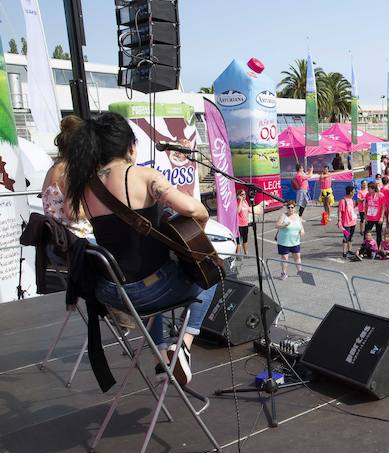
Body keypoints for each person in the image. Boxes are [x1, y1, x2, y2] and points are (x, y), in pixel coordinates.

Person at [66, 112, 216, 386]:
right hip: (149, 292)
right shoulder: (144, 175)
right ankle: (183, 345)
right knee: (211, 275)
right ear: (130, 147)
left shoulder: (86, 186)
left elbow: (70, 213)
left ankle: (162, 358)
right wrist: (201, 224)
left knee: (154, 275)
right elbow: (194, 209)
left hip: (111, 292)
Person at [41, 115, 92, 240]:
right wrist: (96, 208)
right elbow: (72, 212)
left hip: (57, 238)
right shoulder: (71, 170)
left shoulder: (53, 169)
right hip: (77, 240)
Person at [275, 201, 304, 280]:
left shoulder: (297, 216)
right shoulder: (283, 216)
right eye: (288, 207)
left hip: (295, 242)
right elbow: (277, 225)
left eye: (292, 207)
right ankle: (284, 273)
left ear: (295, 208)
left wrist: (302, 231)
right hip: (284, 242)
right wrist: (284, 225)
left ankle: (300, 271)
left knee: (297, 257)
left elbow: (301, 227)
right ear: (286, 208)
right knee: (285, 258)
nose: (290, 209)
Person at [338, 185, 358, 258]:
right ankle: (344, 252)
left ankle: (349, 250)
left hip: (353, 222)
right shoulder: (343, 201)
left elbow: (354, 210)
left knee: (351, 236)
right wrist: (339, 221)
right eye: (353, 191)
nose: (354, 193)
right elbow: (340, 211)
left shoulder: (353, 201)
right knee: (346, 236)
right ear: (350, 192)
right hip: (346, 223)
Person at [364, 181, 385, 246]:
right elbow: (366, 206)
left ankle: (378, 248)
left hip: (378, 218)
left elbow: (383, 207)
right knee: (366, 232)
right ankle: (365, 248)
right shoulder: (367, 195)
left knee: (378, 233)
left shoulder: (381, 195)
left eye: (369, 188)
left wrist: (381, 217)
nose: (368, 189)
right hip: (370, 217)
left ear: (373, 188)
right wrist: (365, 217)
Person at [236, 189, 251, 255]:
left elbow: (249, 210)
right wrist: (241, 200)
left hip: (245, 223)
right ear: (238, 195)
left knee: (245, 239)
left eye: (244, 194)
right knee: (238, 240)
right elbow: (238, 211)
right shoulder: (237, 202)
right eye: (242, 194)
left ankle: (246, 252)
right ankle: (238, 253)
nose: (244, 196)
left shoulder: (246, 202)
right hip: (239, 224)